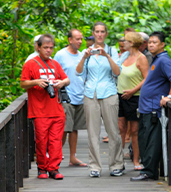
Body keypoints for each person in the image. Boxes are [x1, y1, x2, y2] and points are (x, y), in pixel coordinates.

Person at [76, 22, 124, 178]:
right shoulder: (87, 52)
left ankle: (116, 164)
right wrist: (84, 57)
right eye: (97, 31)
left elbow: (117, 72)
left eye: (102, 31)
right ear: (93, 33)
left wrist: (107, 56)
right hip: (90, 94)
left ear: (106, 34)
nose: (100, 34)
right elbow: (78, 73)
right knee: (92, 132)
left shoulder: (112, 50)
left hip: (109, 92)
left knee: (113, 131)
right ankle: (95, 166)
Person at [20, 34, 70, 180]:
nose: (48, 50)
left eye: (51, 48)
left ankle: (54, 168)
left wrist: (62, 83)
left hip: (57, 109)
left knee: (56, 141)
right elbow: (23, 83)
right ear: (38, 47)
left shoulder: (55, 64)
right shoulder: (30, 64)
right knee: (41, 141)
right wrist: (36, 81)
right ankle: (42, 168)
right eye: (45, 48)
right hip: (40, 110)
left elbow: (66, 78)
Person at [131, 31, 171, 181]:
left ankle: (149, 171)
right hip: (146, 108)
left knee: (152, 140)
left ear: (162, 44)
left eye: (155, 42)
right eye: (150, 42)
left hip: (154, 109)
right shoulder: (156, 59)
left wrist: (169, 97)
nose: (151, 44)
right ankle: (148, 169)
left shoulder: (164, 60)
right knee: (145, 138)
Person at [54, 29, 87, 167]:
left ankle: (73, 157)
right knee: (64, 128)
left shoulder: (82, 55)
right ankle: (56, 157)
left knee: (74, 128)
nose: (80, 42)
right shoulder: (60, 55)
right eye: (77, 39)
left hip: (80, 96)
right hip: (65, 96)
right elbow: (54, 73)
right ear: (70, 40)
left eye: (81, 39)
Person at [117, 32, 149, 171]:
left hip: (135, 97)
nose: (123, 42)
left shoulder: (141, 58)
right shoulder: (124, 56)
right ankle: (118, 160)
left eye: (126, 40)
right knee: (121, 129)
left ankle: (136, 160)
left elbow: (147, 78)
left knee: (134, 130)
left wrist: (132, 91)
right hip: (120, 96)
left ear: (132, 42)